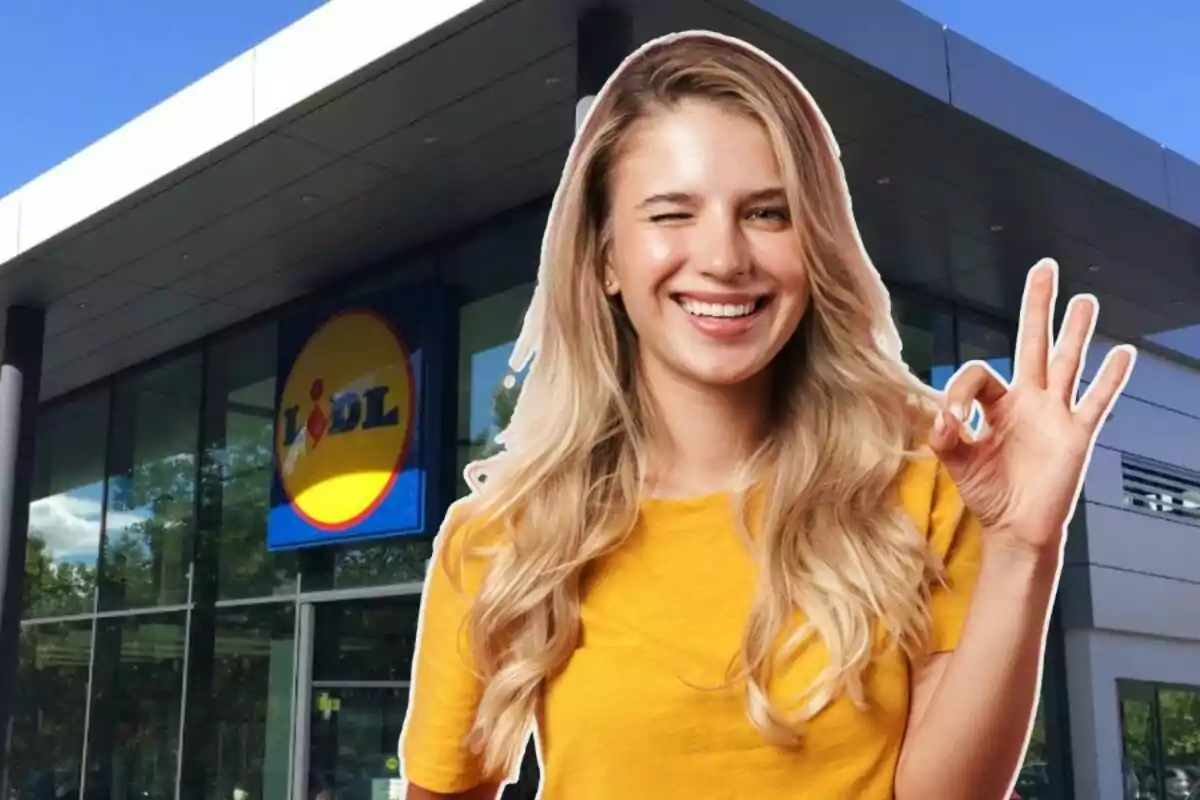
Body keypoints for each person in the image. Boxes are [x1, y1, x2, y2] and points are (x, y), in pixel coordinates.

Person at [400, 30, 1134, 799]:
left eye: (768, 213)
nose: (724, 257)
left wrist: (1024, 549)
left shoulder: (920, 481)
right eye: (672, 214)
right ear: (606, 258)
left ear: (815, 243)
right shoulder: (499, 541)